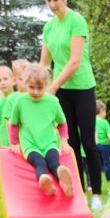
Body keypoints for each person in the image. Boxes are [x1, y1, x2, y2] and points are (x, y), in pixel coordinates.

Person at [39, 0, 103, 211]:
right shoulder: (48, 27)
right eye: (48, 0)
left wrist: (53, 86)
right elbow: (45, 63)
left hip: (82, 88)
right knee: (70, 143)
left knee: (88, 142)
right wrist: (38, 85)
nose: (52, 4)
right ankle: (78, 192)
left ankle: (96, 194)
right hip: (61, 92)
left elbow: (75, 62)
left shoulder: (77, 21)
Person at [8, 63, 74, 198]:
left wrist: (64, 141)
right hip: (30, 145)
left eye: (40, 88)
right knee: (39, 162)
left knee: (53, 161)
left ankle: (64, 183)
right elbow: (14, 124)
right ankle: (45, 181)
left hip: (49, 142)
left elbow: (62, 123)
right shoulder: (20, 101)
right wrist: (14, 143)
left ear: (46, 85)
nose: (36, 92)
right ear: (25, 84)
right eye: (31, 87)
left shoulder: (53, 101)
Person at [95, 100, 110, 184]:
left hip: (95, 145)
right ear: (102, 110)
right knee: (106, 163)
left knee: (97, 164)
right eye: (105, 111)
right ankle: (108, 179)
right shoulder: (105, 122)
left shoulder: (92, 121)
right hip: (105, 146)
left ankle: (97, 180)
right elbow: (109, 134)